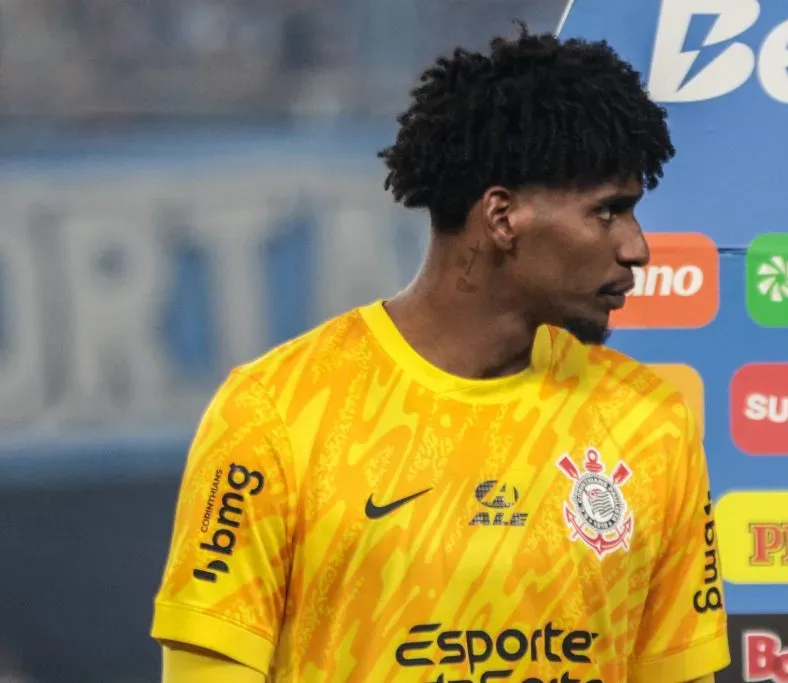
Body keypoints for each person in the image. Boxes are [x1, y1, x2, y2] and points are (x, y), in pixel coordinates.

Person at [151, 24, 728, 683]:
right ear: (503, 216)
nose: (637, 247)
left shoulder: (649, 421)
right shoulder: (275, 412)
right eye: (608, 212)